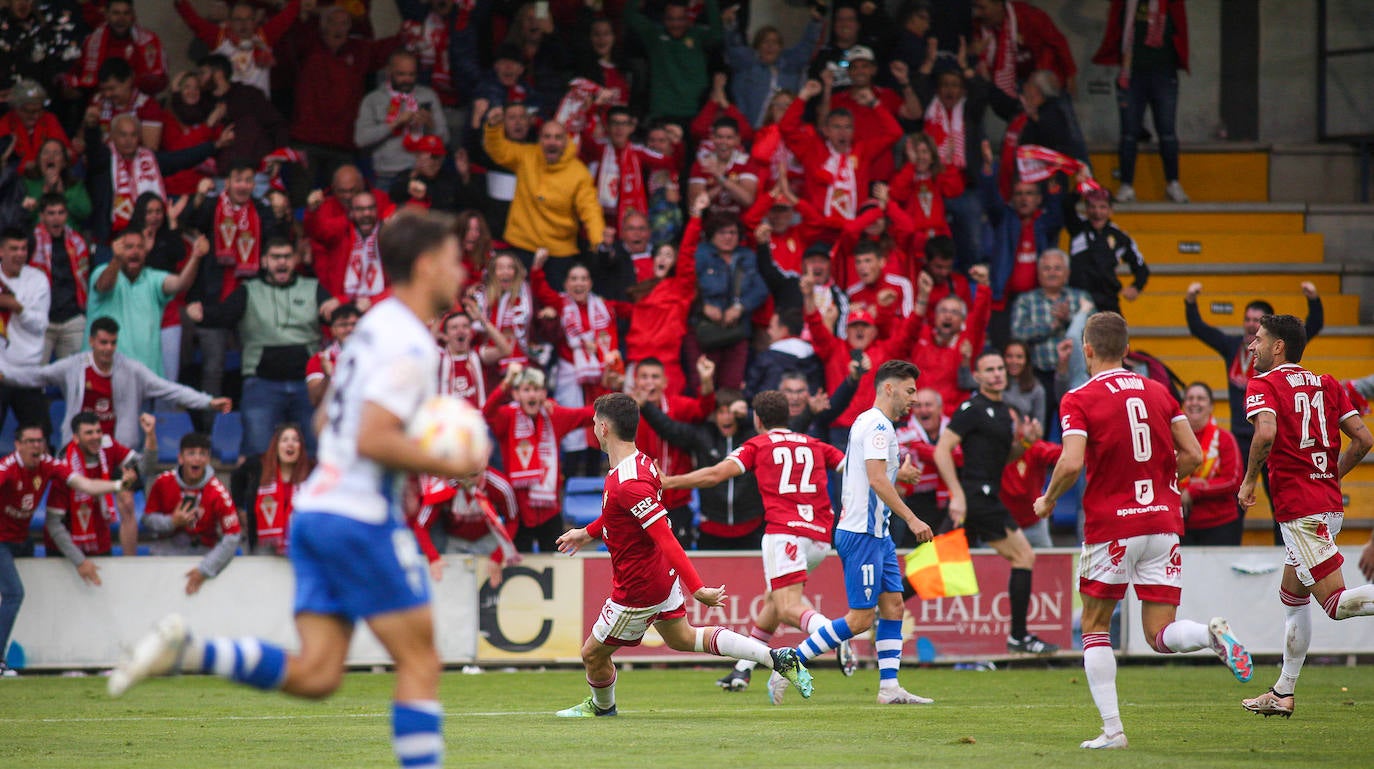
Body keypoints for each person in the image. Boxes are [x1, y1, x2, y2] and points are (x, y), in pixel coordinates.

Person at [108, 209, 480, 769]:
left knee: (318, 674)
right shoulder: (409, 343)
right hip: (357, 518)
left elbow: (327, 421)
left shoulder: (373, 326)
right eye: (455, 260)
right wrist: (448, 458)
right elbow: (372, 435)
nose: (462, 271)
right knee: (421, 661)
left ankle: (190, 650)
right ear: (426, 265)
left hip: (317, 511)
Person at [1032, 311, 1254, 749]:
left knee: (1094, 625)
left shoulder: (1079, 397)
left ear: (1088, 350)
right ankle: (1209, 635)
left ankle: (1113, 730)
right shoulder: (1159, 392)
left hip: (1112, 526)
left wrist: (1050, 498)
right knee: (1159, 633)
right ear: (1128, 349)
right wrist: (1159, 483)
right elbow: (1190, 453)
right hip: (1163, 522)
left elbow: (1072, 461)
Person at [551, 392, 812, 717]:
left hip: (639, 588)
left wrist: (698, 587)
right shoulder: (641, 464)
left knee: (592, 653)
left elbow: (666, 537)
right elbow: (619, 514)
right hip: (659, 578)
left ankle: (602, 708)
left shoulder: (628, 481)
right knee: (684, 638)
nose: (592, 428)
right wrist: (586, 532)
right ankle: (776, 657)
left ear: (604, 428)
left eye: (593, 423)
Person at [663, 390, 853, 695]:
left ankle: (832, 634)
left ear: (757, 418)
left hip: (785, 534)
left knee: (786, 605)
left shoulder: (757, 445)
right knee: (772, 602)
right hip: (819, 538)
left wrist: (671, 481)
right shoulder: (816, 445)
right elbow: (854, 469)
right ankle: (743, 669)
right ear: (787, 417)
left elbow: (715, 475)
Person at [1237, 313, 1374, 718]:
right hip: (1327, 504)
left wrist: (1248, 483)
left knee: (1334, 604)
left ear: (1278, 346)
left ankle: (1283, 691)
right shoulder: (1328, 382)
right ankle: (1283, 692)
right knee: (1292, 597)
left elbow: (1264, 433)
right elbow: (1364, 439)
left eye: (1258, 340)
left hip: (1301, 511)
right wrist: (1330, 474)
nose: (1252, 346)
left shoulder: (1262, 384)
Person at [788, 360, 936, 705]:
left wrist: (903, 474)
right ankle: (791, 662)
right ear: (889, 388)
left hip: (877, 535)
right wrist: (913, 519)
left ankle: (889, 688)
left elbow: (872, 473)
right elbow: (875, 479)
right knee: (860, 618)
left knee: (894, 605)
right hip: (862, 534)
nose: (913, 399)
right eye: (910, 391)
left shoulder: (870, 422)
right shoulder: (879, 427)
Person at [934, 350, 1056, 657]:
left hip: (984, 497)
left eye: (1000, 368)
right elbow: (941, 450)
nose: (997, 373)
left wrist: (1025, 442)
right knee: (1024, 557)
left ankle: (883, 610)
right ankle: (1018, 636)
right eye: (989, 369)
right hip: (977, 498)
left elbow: (1003, 459)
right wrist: (957, 495)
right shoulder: (971, 408)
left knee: (936, 565)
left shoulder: (1004, 412)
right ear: (977, 376)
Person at [1185, 281, 1323, 536]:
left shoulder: (1277, 353)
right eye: (1247, 319)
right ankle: (1231, 549)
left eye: (1256, 320)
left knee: (1279, 500)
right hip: (1240, 439)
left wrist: (1314, 300)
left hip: (1273, 436)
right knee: (1237, 502)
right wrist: (1190, 302)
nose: (1250, 324)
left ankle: (1286, 555)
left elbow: (1311, 327)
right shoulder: (1232, 347)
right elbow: (1199, 329)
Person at [1, 420, 130, 677]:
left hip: (21, 539)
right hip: (1, 539)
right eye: (30, 441)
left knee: (27, 594)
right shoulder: (7, 469)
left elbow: (86, 485)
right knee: (15, 593)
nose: (36, 446)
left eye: (40, 441)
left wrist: (117, 486)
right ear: (17, 445)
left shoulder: (48, 464)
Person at [190, 237, 330, 458]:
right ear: (264, 261)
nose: (281, 263)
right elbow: (223, 315)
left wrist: (336, 306)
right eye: (275, 257)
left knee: (316, 452)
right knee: (257, 452)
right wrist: (201, 314)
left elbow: (337, 317)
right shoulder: (249, 291)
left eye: (286, 257)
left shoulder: (313, 288)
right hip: (262, 385)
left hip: (307, 386)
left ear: (295, 260)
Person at [0, 317, 230, 450]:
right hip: (77, 450)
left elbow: (171, 390)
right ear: (91, 341)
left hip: (117, 453)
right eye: (103, 342)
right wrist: (4, 374)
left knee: (126, 503)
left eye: (113, 343)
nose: (108, 348)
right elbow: (35, 376)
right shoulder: (73, 366)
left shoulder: (132, 370)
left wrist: (209, 402)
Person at [482, 105, 604, 289]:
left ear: (566, 140)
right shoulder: (527, 156)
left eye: (557, 137)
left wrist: (598, 240)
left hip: (559, 253)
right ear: (539, 140)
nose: (551, 142)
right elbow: (498, 150)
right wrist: (493, 126)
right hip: (522, 247)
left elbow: (590, 209)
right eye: (546, 137)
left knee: (553, 310)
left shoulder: (579, 172)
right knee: (517, 305)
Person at [482, 365, 595, 553]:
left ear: (544, 393)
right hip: (516, 513)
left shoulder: (554, 415)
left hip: (550, 512)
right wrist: (507, 382)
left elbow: (586, 415)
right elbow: (487, 413)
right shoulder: (507, 417)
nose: (532, 395)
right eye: (526, 390)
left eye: (536, 389)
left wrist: (618, 396)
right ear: (516, 394)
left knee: (555, 566)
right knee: (520, 568)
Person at [1091, 0, 1191, 203]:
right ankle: (1126, 186)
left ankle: (1173, 183)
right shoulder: (1125, 4)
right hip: (1132, 75)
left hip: (1164, 75)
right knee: (1129, 134)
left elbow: (1179, 29)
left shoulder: (1170, 3)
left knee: (1167, 133)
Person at [646, 387, 763, 551]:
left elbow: (776, 426)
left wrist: (748, 415)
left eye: (731, 412)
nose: (726, 417)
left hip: (750, 529)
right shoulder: (703, 435)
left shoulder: (754, 437)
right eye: (721, 412)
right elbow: (669, 428)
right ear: (714, 415)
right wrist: (645, 405)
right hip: (711, 530)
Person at [87, 226, 206, 378]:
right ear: (118, 249)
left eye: (140, 247)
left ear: (146, 251)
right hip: (107, 375)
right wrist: (116, 259)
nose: (135, 251)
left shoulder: (153, 278)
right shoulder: (102, 272)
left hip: (145, 376)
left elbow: (180, 284)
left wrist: (196, 256)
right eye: (128, 247)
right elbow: (104, 286)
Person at [46, 411, 155, 569]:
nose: (96, 436)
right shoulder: (63, 466)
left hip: (100, 543)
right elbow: (54, 523)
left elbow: (146, 468)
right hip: (63, 550)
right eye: (89, 433)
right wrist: (80, 562)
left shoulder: (108, 446)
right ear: (76, 438)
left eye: (98, 431)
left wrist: (150, 436)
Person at [1009, 249, 1093, 426]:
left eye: (1057, 268)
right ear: (1038, 273)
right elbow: (1017, 334)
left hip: (1075, 376)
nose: (1052, 273)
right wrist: (1051, 326)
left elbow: (1095, 331)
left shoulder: (1081, 298)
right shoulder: (1026, 300)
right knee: (1039, 428)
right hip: (1039, 375)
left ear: (1067, 273)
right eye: (1047, 268)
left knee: (1077, 427)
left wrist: (1069, 319)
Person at [354, 50, 450, 192]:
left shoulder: (428, 95)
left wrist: (430, 125)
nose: (407, 79)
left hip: (423, 175)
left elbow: (445, 140)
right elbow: (361, 139)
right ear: (388, 71)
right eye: (401, 74)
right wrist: (395, 123)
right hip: (387, 177)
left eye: (411, 75)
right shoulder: (373, 99)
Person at [173, 0, 301, 98]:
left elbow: (289, 14)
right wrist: (181, 3)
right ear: (230, 21)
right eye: (238, 19)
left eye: (248, 19)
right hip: (230, 109)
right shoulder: (219, 37)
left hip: (260, 111)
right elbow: (194, 21)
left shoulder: (264, 36)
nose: (243, 24)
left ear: (255, 21)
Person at [624, 0, 723, 123]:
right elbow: (630, 16)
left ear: (688, 19)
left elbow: (717, 34)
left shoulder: (698, 36)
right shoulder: (654, 36)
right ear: (663, 19)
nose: (675, 24)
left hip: (695, 113)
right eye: (670, 19)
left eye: (680, 19)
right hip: (662, 114)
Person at [1063, 185, 1148, 316]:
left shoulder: (1120, 237)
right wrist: (1081, 186)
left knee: (1116, 336)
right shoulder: (1077, 227)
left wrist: (1137, 286)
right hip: (1078, 301)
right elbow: (1066, 205)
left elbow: (1142, 268)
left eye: (1102, 207)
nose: (1097, 212)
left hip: (1108, 302)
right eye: (1092, 207)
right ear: (1086, 209)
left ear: (1111, 210)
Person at [230, 423, 313, 555]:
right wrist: (240, 509)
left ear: (301, 447)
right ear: (276, 446)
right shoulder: (259, 466)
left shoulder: (311, 473)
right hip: (263, 548)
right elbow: (236, 479)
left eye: (295, 440)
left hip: (300, 549)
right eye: (284, 440)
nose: (290, 444)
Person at [1179, 382, 1243, 546]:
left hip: (1220, 525)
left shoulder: (1225, 439)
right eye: (1190, 398)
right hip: (1181, 526)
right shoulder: (1173, 440)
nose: (1194, 402)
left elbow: (1233, 481)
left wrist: (1194, 490)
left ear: (1211, 406)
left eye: (1200, 399)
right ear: (1183, 405)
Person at [0, 227, 50, 437]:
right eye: (14, 249)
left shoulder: (38, 280)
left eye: (23, 249)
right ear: (1, 251)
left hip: (27, 373)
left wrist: (16, 307)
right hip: (0, 373)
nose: (20, 254)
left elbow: (40, 325)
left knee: (41, 436)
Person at [31, 193, 93, 363]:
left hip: (72, 319)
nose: (56, 218)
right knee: (35, 378)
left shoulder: (78, 241)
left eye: (60, 212)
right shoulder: (31, 242)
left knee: (75, 380)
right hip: (42, 320)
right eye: (51, 213)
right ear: (41, 215)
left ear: (66, 215)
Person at [64, 0, 168, 96]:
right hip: (101, 101)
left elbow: (160, 79)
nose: (121, 19)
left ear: (133, 15)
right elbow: (79, 73)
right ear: (107, 15)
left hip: (138, 100)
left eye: (126, 13)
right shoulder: (92, 41)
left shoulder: (149, 41)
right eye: (116, 13)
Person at [306, 303, 361, 407]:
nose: (350, 329)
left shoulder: (376, 356)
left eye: (354, 324)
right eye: (343, 325)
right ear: (332, 330)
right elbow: (315, 400)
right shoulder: (320, 359)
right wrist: (328, 377)